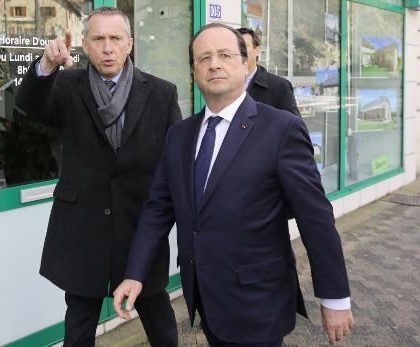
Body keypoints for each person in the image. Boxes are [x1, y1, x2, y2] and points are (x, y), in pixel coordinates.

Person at [113, 23, 354, 346]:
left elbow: (316, 219)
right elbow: (158, 208)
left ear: (245, 63)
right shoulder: (180, 136)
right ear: (194, 71)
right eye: (204, 58)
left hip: (258, 301)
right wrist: (135, 273)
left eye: (225, 55)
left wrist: (334, 297)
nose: (214, 64)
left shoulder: (281, 130)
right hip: (203, 295)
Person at [14, 7, 182, 347]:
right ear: (85, 46)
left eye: (116, 38)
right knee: (79, 323)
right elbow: (29, 105)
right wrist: (45, 65)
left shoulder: (161, 93)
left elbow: (175, 162)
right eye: (99, 39)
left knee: (159, 319)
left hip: (139, 226)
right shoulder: (65, 85)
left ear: (129, 43)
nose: (108, 48)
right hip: (82, 227)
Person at [236, 27, 301, 116]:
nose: (239, 51)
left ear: (257, 50)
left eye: (245, 46)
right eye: (235, 47)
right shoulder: (222, 83)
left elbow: (294, 127)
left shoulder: (280, 87)